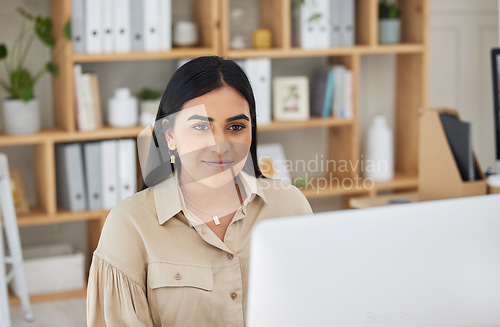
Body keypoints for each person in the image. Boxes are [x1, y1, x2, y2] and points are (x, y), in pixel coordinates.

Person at [86, 56, 313, 327]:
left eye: (236, 127)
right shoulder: (129, 225)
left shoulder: (290, 207)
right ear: (169, 135)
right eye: (201, 127)